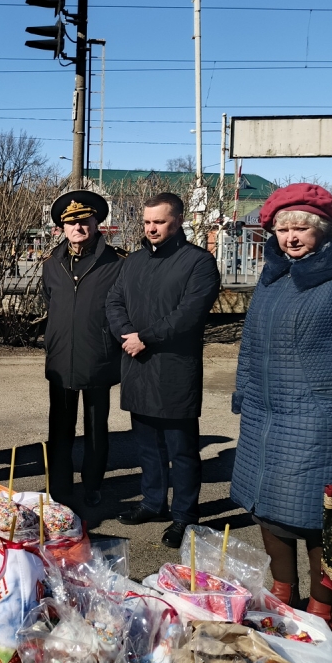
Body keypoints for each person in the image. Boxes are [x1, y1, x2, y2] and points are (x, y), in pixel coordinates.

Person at [231, 183, 332, 630]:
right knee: (268, 509)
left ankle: (323, 607)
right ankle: (283, 592)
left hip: (324, 422)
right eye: (283, 229)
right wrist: (244, 394)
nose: (291, 237)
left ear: (323, 229)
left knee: (322, 519)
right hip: (266, 417)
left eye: (301, 227)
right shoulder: (274, 276)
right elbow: (250, 347)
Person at [105, 192, 220, 549]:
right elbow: (114, 301)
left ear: (178, 221)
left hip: (174, 369)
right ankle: (154, 502)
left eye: (159, 222)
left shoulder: (199, 262)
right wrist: (127, 335)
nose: (151, 228)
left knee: (181, 450)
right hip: (137, 364)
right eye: (147, 222)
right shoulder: (134, 261)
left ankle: (185, 515)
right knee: (147, 445)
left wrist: (145, 338)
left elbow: (189, 315)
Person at [42, 192, 126, 509]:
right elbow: (50, 303)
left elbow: (123, 308)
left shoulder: (117, 263)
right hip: (61, 358)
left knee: (95, 428)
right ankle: (60, 487)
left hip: (98, 358)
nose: (77, 227)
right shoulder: (52, 264)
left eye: (84, 221)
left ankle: (93, 484)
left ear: (95, 223)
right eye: (71, 222)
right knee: (59, 429)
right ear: (62, 227)